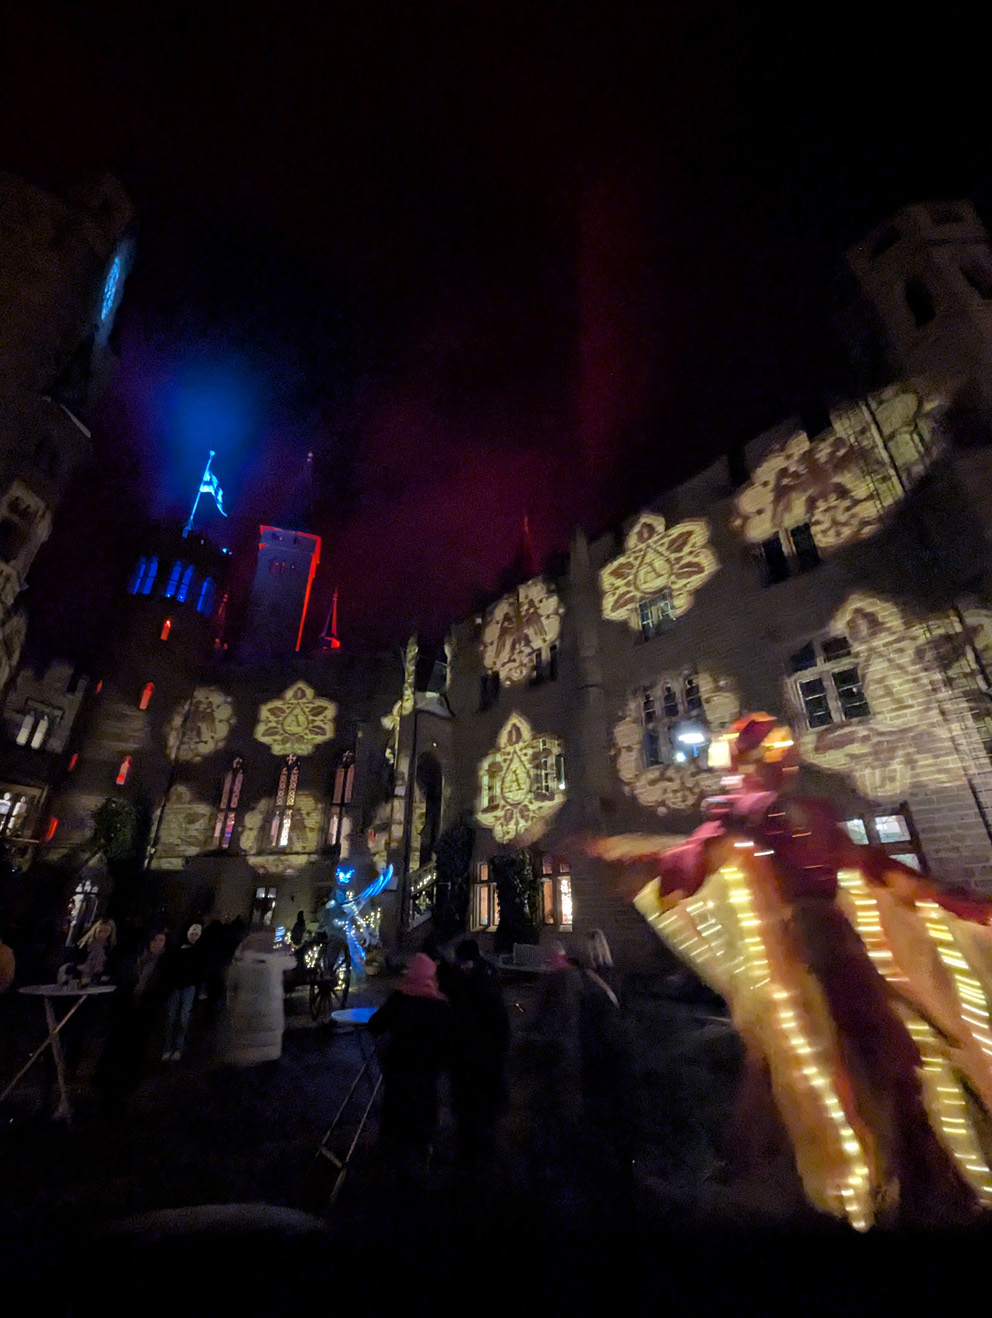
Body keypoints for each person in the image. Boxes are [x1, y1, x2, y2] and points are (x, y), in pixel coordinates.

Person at [368, 952, 452, 1183]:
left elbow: (374, 1026)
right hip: (427, 1074)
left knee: (397, 1115)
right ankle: (422, 1165)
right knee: (423, 1115)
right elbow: (450, 1041)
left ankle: (394, 1168)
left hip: (398, 1070)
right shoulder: (440, 1005)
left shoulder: (400, 999)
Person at [446, 939, 510, 1172]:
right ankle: (481, 1156)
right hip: (482, 1057)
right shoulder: (487, 978)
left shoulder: (465, 982)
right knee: (480, 1112)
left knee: (472, 1111)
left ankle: (473, 1158)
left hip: (471, 1056)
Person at [217, 929, 294, 1067]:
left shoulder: (241, 961)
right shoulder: (277, 962)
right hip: (270, 1021)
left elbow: (230, 983)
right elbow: (292, 962)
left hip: (244, 1019)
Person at [160, 923, 204, 1060]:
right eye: (192, 933)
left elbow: (200, 971)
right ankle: (168, 1048)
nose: (194, 936)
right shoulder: (178, 947)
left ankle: (177, 1047)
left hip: (188, 986)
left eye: (196, 934)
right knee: (171, 1017)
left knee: (182, 1018)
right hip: (176, 985)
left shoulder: (199, 950)